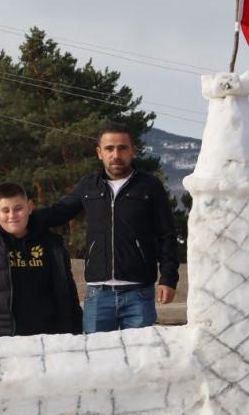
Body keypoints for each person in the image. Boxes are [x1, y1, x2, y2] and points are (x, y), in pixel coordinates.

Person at [29, 123, 179, 332]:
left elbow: (167, 235)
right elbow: (58, 212)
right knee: (96, 360)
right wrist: (20, 218)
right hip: (98, 295)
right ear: (99, 153)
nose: (116, 154)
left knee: (139, 360)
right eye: (109, 148)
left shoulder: (149, 186)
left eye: (122, 148)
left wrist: (168, 278)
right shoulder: (88, 186)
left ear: (132, 151)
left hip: (139, 294)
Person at [0, 182, 82, 343]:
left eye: (18, 208)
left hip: (48, 342)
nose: (12, 215)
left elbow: (68, 295)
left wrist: (75, 335)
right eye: (5, 210)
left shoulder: (52, 244)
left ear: (30, 207)